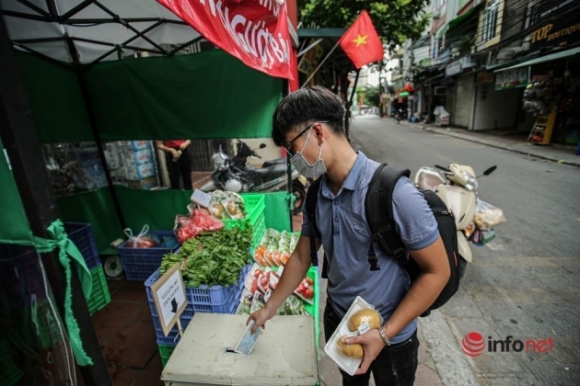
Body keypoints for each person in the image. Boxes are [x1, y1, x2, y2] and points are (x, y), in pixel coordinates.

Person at [248, 86, 450, 386]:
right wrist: (269, 308)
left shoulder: (394, 193)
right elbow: (303, 256)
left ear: (317, 132)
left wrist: (384, 334)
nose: (293, 160)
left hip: (392, 336)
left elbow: (438, 271)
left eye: (292, 147)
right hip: (341, 323)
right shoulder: (317, 194)